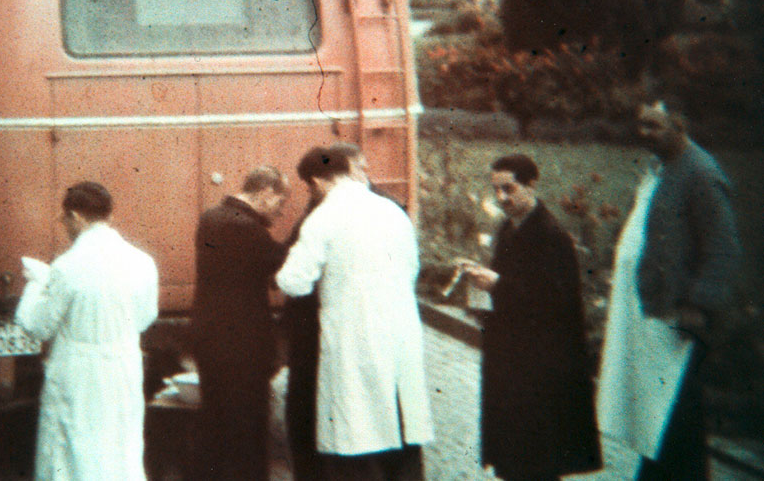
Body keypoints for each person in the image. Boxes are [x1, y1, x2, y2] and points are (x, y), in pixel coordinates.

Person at [597, 98, 741, 480]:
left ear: (680, 125)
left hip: (676, 319)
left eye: (653, 127)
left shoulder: (701, 174)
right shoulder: (660, 168)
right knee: (659, 416)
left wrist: (698, 304)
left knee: (675, 414)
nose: (643, 134)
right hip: (651, 312)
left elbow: (723, 248)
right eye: (641, 125)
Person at [276, 146, 433, 481]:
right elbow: (411, 268)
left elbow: (293, 282)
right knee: (401, 430)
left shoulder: (324, 217)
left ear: (318, 181)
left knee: (359, 432)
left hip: (353, 339)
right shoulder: (392, 211)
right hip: (400, 333)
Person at [457, 154, 601, 481]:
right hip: (511, 361)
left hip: (541, 369)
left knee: (537, 461)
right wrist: (483, 297)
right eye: (495, 190)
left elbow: (554, 302)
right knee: (512, 461)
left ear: (531, 185)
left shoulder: (551, 235)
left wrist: (498, 285)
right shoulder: (508, 228)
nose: (501, 198)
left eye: (509, 189)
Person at [16, 182, 159, 481]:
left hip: (78, 373)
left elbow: (39, 326)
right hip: (122, 369)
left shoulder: (67, 266)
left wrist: (34, 285)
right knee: (120, 448)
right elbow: (144, 319)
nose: (64, 225)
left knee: (73, 451)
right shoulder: (142, 262)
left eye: (65, 218)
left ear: (77, 217)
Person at [192, 166, 290, 480]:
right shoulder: (245, 227)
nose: (278, 212)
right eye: (279, 203)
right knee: (246, 433)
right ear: (266, 193)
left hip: (210, 340)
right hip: (242, 347)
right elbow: (279, 262)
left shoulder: (210, 217)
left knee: (215, 424)